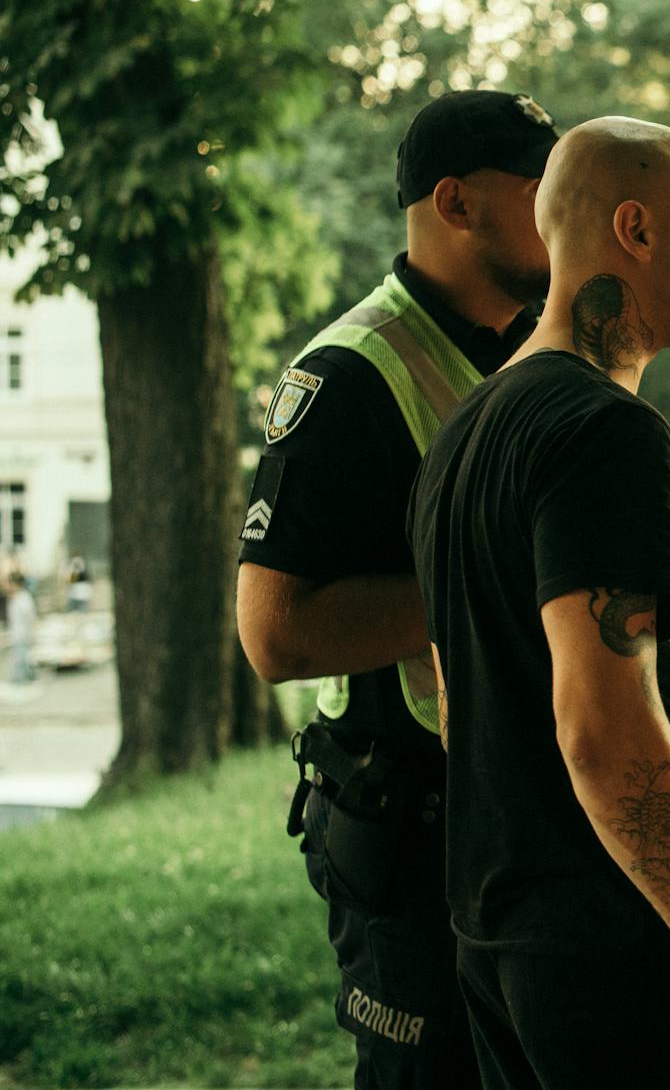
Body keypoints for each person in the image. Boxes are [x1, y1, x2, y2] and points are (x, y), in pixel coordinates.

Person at [406, 116, 670, 1089]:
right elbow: (602, 725)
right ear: (636, 230)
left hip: (502, 943)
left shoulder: (466, 430)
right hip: (627, 955)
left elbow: (456, 701)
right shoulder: (607, 434)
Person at [236, 88, 558, 1088]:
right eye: (542, 191)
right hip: (414, 838)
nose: (564, 219)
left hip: (524, 826)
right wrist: (505, 586)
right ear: (456, 203)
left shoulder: (537, 347)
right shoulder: (350, 373)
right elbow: (275, 635)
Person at [6, 571, 34, 686]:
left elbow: (29, 618)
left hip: (22, 634)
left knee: (21, 659)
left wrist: (30, 634)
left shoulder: (24, 598)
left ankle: (21, 680)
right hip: (17, 634)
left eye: (10, 583)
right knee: (22, 658)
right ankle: (26, 677)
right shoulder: (15, 598)